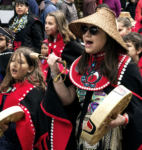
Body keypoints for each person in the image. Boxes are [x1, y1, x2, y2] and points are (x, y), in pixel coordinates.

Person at [47, 7, 142, 150]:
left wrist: (124, 119)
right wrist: (55, 73)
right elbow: (68, 99)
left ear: (108, 35)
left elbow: (139, 108)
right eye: (84, 29)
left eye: (93, 30)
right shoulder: (79, 64)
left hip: (111, 140)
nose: (86, 35)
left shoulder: (126, 66)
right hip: (80, 137)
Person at [40, 10, 83, 149]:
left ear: (59, 25)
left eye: (50, 24)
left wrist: (61, 70)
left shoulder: (70, 45)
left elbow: (77, 66)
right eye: (45, 23)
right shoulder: (52, 41)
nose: (46, 26)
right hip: (53, 91)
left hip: (66, 98)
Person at [0, 47, 46, 150]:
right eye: (12, 61)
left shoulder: (34, 92)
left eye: (20, 62)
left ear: (30, 68)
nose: (14, 64)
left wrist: (7, 129)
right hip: (0, 142)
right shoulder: (8, 86)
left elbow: (32, 126)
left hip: (16, 145)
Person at [0, 26, 13, 97]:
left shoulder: (10, 56)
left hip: (2, 89)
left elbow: (10, 76)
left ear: (7, 41)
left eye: (1, 39)